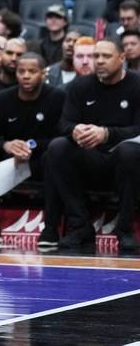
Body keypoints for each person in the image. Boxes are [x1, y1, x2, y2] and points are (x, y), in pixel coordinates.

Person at [46, 38, 140, 253]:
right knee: (58, 147)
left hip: (125, 159)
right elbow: (63, 123)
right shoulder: (80, 85)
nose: (99, 61)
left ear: (122, 58)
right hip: (91, 156)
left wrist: (106, 134)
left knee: (129, 152)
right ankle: (80, 226)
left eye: (106, 56)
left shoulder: (137, 85)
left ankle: (125, 229)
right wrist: (75, 130)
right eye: (96, 56)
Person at [0, 52, 63, 246]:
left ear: (43, 73)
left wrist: (31, 146)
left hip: (40, 161)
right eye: (21, 71)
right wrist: (7, 145)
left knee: (55, 153)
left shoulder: (57, 97)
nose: (26, 76)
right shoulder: (0, 99)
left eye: (32, 71)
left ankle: (50, 229)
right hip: (11, 162)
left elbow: (62, 137)